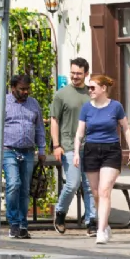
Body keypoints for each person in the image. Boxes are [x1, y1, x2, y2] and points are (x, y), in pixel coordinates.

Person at [73, 74, 130, 244]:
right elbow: (80, 132)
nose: (90, 90)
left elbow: (126, 128)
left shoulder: (116, 107)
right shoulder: (86, 108)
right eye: (89, 88)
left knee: (104, 190)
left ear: (103, 88)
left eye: (93, 87)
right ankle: (105, 224)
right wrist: (76, 152)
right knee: (95, 193)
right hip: (91, 150)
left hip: (111, 150)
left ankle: (100, 230)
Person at [0, 73, 46, 239]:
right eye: (22, 89)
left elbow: (39, 128)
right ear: (12, 88)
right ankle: (13, 223)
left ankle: (23, 224)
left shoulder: (33, 104)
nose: (25, 92)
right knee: (14, 184)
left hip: (28, 151)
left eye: (27, 89)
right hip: (8, 150)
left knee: (25, 189)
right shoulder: (2, 103)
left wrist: (42, 149)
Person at [51, 58, 96, 236]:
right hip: (69, 146)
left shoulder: (91, 93)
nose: (75, 76)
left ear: (86, 74)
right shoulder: (61, 95)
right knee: (73, 183)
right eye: (73, 73)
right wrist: (56, 145)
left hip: (90, 146)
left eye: (79, 73)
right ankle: (60, 212)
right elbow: (54, 120)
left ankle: (91, 221)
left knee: (90, 186)